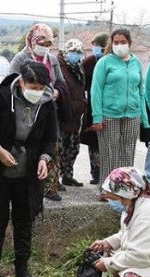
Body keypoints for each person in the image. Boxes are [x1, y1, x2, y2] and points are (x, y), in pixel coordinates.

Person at [0, 61, 58, 277]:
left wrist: (44, 158)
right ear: (21, 82)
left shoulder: (47, 105)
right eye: (32, 86)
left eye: (41, 87)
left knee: (24, 221)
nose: (36, 91)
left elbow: (50, 137)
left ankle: (22, 268)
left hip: (27, 173)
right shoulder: (0, 97)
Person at [9, 23, 68, 202]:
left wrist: (57, 91)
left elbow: (60, 80)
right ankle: (26, 182)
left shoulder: (52, 59)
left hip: (48, 107)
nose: (44, 46)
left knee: (51, 145)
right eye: (41, 41)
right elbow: (11, 81)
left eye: (48, 43)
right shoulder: (21, 58)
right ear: (32, 40)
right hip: (25, 110)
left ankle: (50, 186)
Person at [90, 28, 150, 201]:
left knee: (127, 152)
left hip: (132, 114)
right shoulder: (105, 62)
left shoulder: (136, 63)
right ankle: (107, 189)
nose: (120, 45)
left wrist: (144, 120)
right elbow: (96, 90)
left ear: (129, 44)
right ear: (111, 43)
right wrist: (97, 117)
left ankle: (124, 190)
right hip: (109, 115)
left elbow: (140, 92)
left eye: (123, 42)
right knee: (109, 152)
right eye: (116, 42)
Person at [90, 167, 150, 277]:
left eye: (116, 198)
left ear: (126, 193)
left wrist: (108, 263)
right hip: (145, 260)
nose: (115, 202)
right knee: (113, 260)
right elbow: (126, 234)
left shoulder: (145, 216)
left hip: (144, 260)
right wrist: (108, 243)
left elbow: (140, 256)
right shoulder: (133, 206)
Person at [57, 38, 87, 188]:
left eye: (78, 52)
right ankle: (53, 180)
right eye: (73, 51)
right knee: (59, 149)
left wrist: (83, 104)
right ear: (66, 51)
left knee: (73, 148)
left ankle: (68, 176)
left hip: (76, 116)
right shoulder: (59, 66)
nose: (76, 55)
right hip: (62, 115)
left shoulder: (79, 67)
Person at [81, 32, 110, 185]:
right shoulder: (88, 62)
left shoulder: (111, 62)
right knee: (93, 142)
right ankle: (96, 173)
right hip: (92, 108)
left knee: (108, 143)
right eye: (94, 46)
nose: (96, 49)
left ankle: (107, 172)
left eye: (98, 46)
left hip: (110, 108)